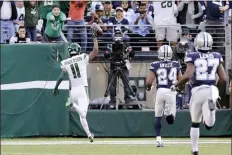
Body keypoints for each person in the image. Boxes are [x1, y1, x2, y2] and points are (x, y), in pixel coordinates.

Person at [171, 32, 227, 155]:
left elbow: (188, 75)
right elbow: (223, 79)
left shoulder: (193, 55)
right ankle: (210, 114)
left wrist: (176, 85)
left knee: (195, 122)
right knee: (209, 124)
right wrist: (214, 87)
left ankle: (195, 150)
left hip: (197, 90)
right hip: (211, 89)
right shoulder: (217, 55)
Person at [53, 28, 100, 143]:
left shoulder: (65, 62)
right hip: (82, 89)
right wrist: (95, 37)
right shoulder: (83, 57)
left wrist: (56, 87)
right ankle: (72, 104)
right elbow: (95, 51)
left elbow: (61, 77)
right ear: (78, 50)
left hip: (73, 90)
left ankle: (89, 135)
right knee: (83, 113)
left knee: (81, 116)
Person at [146, 45, 182, 147]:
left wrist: (148, 88)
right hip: (171, 90)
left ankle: (158, 140)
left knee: (157, 116)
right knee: (171, 120)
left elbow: (149, 82)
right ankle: (168, 113)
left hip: (160, 91)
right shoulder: (176, 64)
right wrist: (179, 88)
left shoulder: (155, 64)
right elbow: (181, 80)